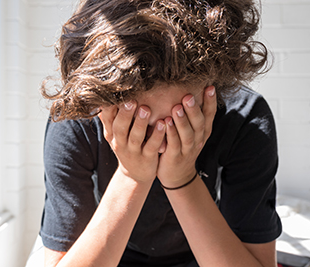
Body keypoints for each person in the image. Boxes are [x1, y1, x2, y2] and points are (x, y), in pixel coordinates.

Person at [39, 0, 282, 266]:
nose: (159, 146)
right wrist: (132, 176)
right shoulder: (79, 116)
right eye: (139, 126)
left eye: (179, 123)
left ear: (210, 90)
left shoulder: (246, 118)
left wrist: (182, 179)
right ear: (105, 104)